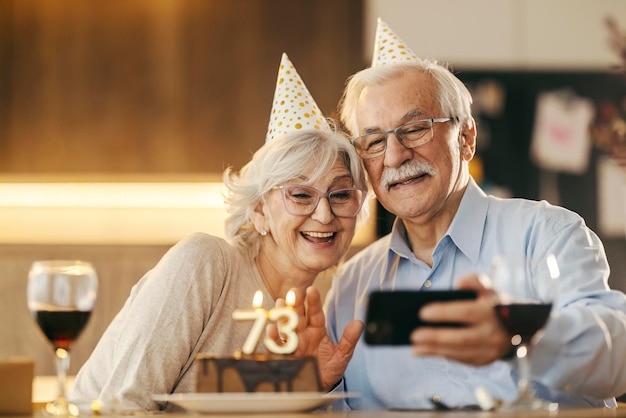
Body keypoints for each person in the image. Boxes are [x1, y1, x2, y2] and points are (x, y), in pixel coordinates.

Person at [319, 19, 626, 410]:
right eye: (375, 141)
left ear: (465, 138)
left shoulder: (547, 234)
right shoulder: (351, 283)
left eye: (414, 129)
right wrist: (319, 387)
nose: (394, 156)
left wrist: (524, 338)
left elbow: (618, 354)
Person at [68, 53, 368, 412]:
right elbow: (122, 408)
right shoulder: (206, 263)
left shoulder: (316, 317)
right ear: (259, 212)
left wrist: (314, 389)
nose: (324, 213)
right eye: (301, 195)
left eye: (340, 194)